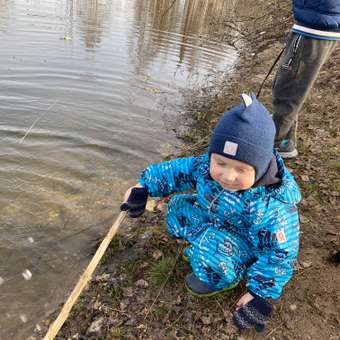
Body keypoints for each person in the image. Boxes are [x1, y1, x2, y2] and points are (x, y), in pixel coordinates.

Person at [121, 94, 301, 332]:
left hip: (244, 240)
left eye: (240, 169)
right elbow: (177, 171)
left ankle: (221, 273)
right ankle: (203, 245)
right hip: (215, 217)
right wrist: (144, 187)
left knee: (213, 264)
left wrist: (259, 293)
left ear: (259, 168)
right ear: (212, 155)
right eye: (221, 163)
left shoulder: (270, 207)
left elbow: (280, 254)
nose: (227, 176)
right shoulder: (206, 165)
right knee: (177, 208)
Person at [273, 0, 340, 158]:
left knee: (288, 88)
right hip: (316, 21)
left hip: (317, 24)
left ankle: (276, 142)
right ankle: (283, 139)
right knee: (287, 83)